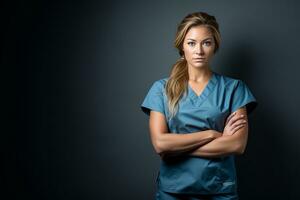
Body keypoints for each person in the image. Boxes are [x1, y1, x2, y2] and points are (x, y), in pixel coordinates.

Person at [140, 11, 258, 200]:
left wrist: (175, 149)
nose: (199, 51)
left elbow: (236, 144)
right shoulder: (161, 89)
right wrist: (212, 134)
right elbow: (160, 143)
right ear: (182, 46)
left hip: (220, 190)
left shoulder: (234, 88)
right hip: (173, 192)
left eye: (207, 43)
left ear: (215, 46)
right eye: (191, 43)